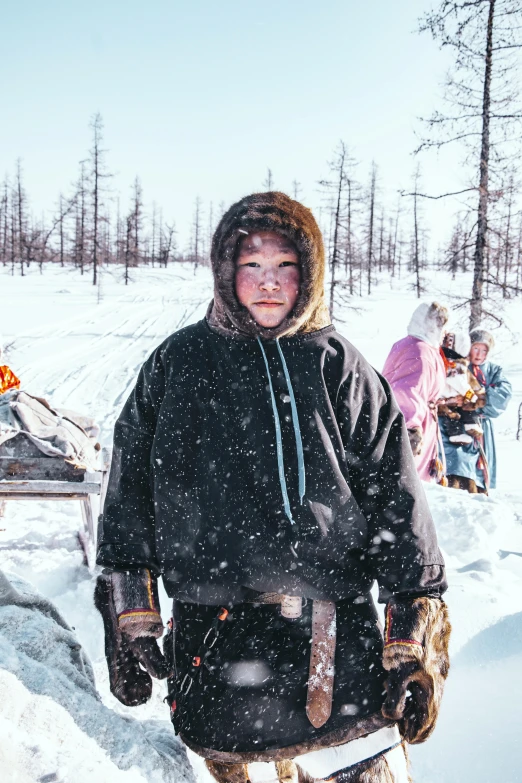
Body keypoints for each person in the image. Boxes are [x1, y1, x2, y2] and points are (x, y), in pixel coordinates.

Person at [95, 193, 450, 783]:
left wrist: (413, 623)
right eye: (250, 265)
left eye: (284, 264)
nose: (266, 282)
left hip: (336, 649)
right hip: (216, 652)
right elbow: (130, 488)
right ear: (225, 272)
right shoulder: (178, 364)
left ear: (308, 272)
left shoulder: (340, 366)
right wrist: (129, 606)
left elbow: (397, 498)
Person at [382, 302, 448, 483]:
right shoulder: (420, 351)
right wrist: (411, 431)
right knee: (411, 485)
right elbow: (407, 391)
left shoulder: (411, 345)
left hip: (421, 422)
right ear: (435, 325)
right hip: (414, 426)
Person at [439, 328, 512, 493]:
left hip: (481, 426)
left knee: (480, 468)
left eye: (484, 350)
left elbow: (502, 396)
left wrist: (476, 399)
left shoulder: (494, 371)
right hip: (455, 423)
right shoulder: (458, 365)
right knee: (458, 462)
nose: (479, 354)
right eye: (476, 348)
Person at [438, 331, 485, 445]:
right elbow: (460, 384)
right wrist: (471, 395)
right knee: (453, 415)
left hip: (447, 399)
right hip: (447, 399)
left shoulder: (445, 363)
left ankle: (466, 427)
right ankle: (460, 431)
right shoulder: (454, 366)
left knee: (458, 413)